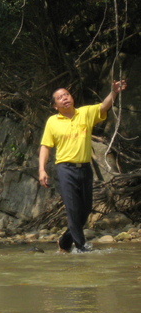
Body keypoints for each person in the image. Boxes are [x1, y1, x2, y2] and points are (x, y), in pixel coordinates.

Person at [39, 80, 127, 253]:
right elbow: (45, 146)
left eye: (66, 94)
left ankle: (65, 241)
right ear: (55, 105)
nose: (65, 98)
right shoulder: (52, 121)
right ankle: (81, 247)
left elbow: (103, 107)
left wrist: (114, 92)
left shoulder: (84, 113)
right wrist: (42, 169)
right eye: (60, 97)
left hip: (85, 168)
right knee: (73, 209)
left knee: (85, 210)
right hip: (65, 169)